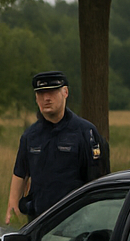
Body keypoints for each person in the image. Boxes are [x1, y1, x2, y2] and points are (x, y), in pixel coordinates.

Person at [7, 71, 110, 225]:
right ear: (36, 98)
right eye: (41, 93)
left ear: (65, 92)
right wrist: (13, 204)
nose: (46, 98)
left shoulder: (85, 132)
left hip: (76, 221)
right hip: (39, 221)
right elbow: (20, 172)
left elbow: (98, 179)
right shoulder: (30, 135)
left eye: (52, 92)